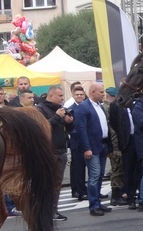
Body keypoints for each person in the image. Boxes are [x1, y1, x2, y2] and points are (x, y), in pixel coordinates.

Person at [74, 83, 113, 216]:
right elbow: (81, 130)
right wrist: (86, 148)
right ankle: (93, 205)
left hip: (102, 145)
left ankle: (98, 202)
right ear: (92, 92)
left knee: (100, 175)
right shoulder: (83, 108)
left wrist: (109, 147)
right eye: (101, 92)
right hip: (92, 147)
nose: (103, 94)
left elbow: (105, 126)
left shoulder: (99, 106)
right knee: (94, 176)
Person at [36, 86, 73, 221]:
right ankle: (44, 211)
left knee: (57, 183)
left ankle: (53, 210)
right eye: (59, 96)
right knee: (47, 183)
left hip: (61, 150)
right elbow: (42, 127)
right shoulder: (40, 109)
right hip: (49, 151)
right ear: (50, 96)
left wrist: (68, 122)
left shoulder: (60, 109)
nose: (62, 99)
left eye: (62, 96)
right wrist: (57, 117)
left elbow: (66, 129)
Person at [109, 86, 139, 210]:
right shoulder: (116, 105)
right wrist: (122, 136)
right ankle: (130, 198)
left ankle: (140, 194)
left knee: (139, 169)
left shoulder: (135, 103)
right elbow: (114, 123)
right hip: (126, 140)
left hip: (138, 139)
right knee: (128, 170)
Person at [67, 86, 87, 200]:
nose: (79, 96)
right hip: (76, 142)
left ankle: (84, 189)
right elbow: (69, 128)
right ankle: (79, 191)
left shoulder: (87, 107)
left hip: (87, 141)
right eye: (77, 95)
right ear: (73, 96)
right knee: (78, 168)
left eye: (81, 94)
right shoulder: (70, 109)